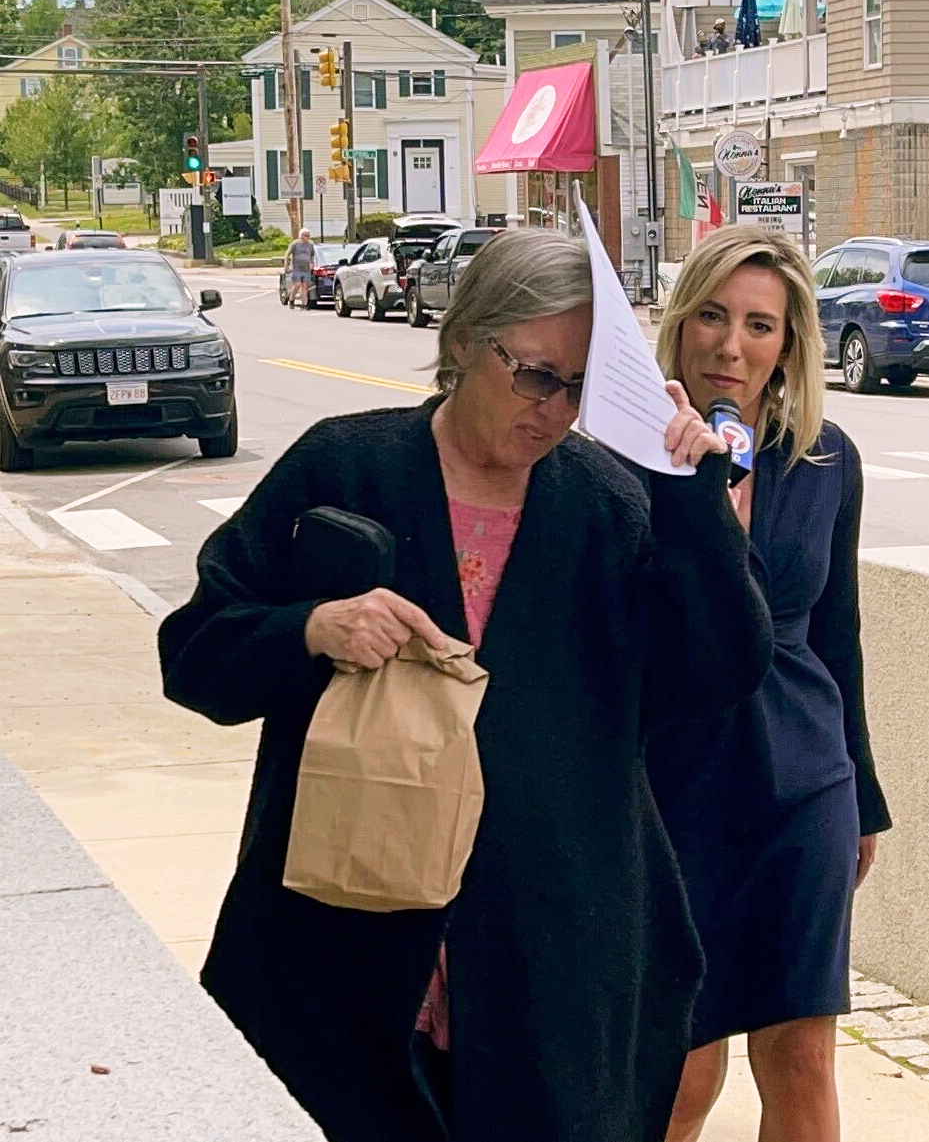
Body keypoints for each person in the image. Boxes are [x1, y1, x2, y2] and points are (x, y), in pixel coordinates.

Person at [157, 229, 773, 1142]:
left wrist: (691, 497)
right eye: (533, 375)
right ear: (463, 341)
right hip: (353, 939)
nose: (552, 410)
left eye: (576, 387)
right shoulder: (346, 467)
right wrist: (312, 628)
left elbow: (718, 671)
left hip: (545, 948)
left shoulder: (609, 505)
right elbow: (194, 650)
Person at [647, 225, 891, 1142]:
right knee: (679, 1064)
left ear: (788, 344)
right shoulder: (624, 456)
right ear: (680, 323)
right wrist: (696, 507)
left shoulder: (826, 459)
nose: (730, 345)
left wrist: (862, 791)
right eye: (711, 315)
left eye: (759, 324)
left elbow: (840, 632)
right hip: (672, 779)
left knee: (801, 1058)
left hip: (800, 780)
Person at [285, 228, 316, 309]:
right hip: (296, 268)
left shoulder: (310, 244)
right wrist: (286, 266)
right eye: (306, 235)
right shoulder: (295, 244)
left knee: (305, 286)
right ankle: (291, 299)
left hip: (306, 268)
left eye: (308, 235)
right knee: (297, 285)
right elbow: (287, 254)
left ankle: (304, 304)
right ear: (301, 236)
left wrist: (312, 263)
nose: (308, 237)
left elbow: (312, 255)